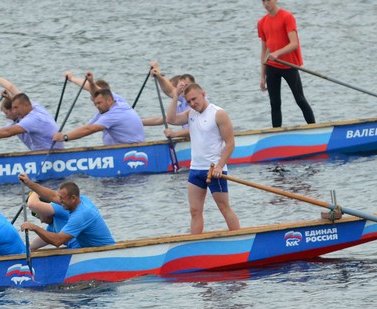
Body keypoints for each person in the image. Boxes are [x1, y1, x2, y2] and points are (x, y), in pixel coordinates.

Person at [163, 78, 240, 233]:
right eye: (188, 101)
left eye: (194, 99)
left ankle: (240, 238)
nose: (192, 103)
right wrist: (175, 95)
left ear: (203, 95)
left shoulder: (219, 114)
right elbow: (170, 119)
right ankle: (195, 245)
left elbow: (230, 144)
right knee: (195, 211)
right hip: (196, 170)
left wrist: (219, 166)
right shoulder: (190, 114)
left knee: (224, 208)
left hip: (215, 171)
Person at [258, 0, 316, 128]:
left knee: (300, 99)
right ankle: (276, 134)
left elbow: (294, 43)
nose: (266, 3)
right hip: (272, 67)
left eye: (268, 0)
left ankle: (314, 128)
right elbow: (264, 51)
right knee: (275, 103)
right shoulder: (262, 23)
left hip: (289, 65)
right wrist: (262, 76)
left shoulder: (287, 17)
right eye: (263, 1)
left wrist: (277, 53)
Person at [0, 68, 59, 150]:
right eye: (13, 108)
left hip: (51, 155)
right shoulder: (35, 107)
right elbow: (11, 88)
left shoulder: (33, 119)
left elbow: (7, 132)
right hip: (42, 153)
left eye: (16, 108)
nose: (15, 111)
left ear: (25, 106)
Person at [17, 175, 115, 249]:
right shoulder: (82, 199)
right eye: (59, 198)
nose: (59, 201)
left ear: (73, 198)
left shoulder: (81, 215)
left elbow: (58, 241)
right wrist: (29, 183)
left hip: (105, 251)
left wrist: (34, 227)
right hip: (90, 250)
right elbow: (52, 196)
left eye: (62, 199)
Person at [54, 86, 145, 146]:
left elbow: (90, 129)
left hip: (133, 150)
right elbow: (88, 126)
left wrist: (64, 137)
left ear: (109, 100)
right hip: (136, 147)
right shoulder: (120, 101)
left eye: (99, 103)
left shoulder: (113, 115)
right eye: (95, 103)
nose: (96, 106)